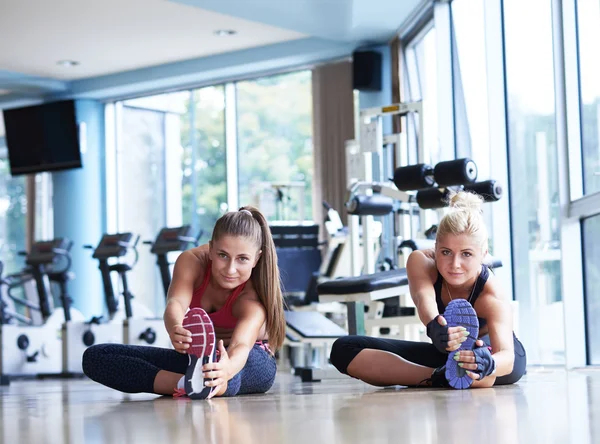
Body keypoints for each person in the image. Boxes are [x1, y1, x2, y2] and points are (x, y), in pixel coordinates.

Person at [82, 206, 285, 399]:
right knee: (97, 357)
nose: (230, 269)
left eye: (242, 259)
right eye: (223, 255)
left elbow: (241, 345)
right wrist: (176, 328)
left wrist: (226, 369)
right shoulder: (192, 261)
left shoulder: (252, 297)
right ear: (211, 248)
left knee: (223, 373)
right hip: (199, 358)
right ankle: (186, 384)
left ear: (256, 259)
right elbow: (176, 303)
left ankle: (209, 383)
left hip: (250, 359)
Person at [329, 191, 527, 389]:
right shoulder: (421, 262)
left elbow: (507, 358)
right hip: (446, 356)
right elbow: (424, 299)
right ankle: (438, 377)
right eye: (446, 252)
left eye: (466, 254)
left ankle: (455, 376)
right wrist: (436, 327)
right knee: (343, 349)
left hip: (492, 357)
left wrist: (488, 364)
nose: (454, 264)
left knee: (480, 375)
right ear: (435, 247)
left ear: (483, 254)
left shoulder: (491, 294)